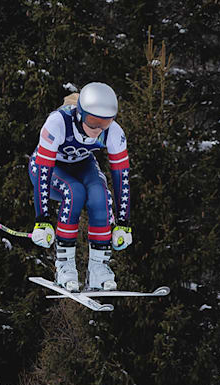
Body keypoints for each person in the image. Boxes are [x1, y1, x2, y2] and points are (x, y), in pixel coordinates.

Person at [27, 82, 133, 291]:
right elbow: (44, 170)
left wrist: (123, 223)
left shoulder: (113, 132)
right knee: (74, 192)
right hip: (48, 168)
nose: (97, 130)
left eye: (105, 122)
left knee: (100, 195)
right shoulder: (58, 123)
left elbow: (122, 177)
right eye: (92, 122)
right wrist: (42, 220)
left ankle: (98, 268)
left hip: (82, 164)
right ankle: (64, 266)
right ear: (80, 113)